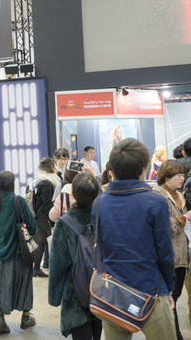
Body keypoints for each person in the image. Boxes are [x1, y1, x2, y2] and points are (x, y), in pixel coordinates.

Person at [93, 138, 175, 340]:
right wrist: (169, 288)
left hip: (113, 293)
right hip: (152, 292)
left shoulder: (100, 202)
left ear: (112, 169)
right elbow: (164, 252)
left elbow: (100, 249)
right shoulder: (155, 202)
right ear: (144, 168)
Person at [48, 172, 102, 340]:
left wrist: (54, 297)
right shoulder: (102, 217)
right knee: (97, 330)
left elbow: (58, 264)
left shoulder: (65, 223)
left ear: (72, 195)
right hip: (101, 287)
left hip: (76, 293)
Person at [0, 171, 36, 334]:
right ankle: (26, 317)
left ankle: (0, 317)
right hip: (19, 252)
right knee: (24, 284)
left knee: (1, 286)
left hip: (1, 252)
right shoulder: (18, 200)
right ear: (11, 184)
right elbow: (32, 226)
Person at [151, 159, 188, 340]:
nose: (182, 178)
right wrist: (179, 221)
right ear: (166, 176)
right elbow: (159, 226)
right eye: (178, 175)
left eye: (183, 174)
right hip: (167, 256)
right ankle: (175, 335)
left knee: (176, 295)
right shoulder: (158, 195)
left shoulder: (179, 195)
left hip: (182, 255)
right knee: (168, 299)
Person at [31, 157, 60, 277]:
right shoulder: (48, 183)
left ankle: (36, 268)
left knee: (42, 242)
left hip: (39, 216)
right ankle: (40, 268)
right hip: (44, 217)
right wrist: (52, 218)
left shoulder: (39, 181)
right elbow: (47, 204)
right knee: (48, 242)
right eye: (55, 166)